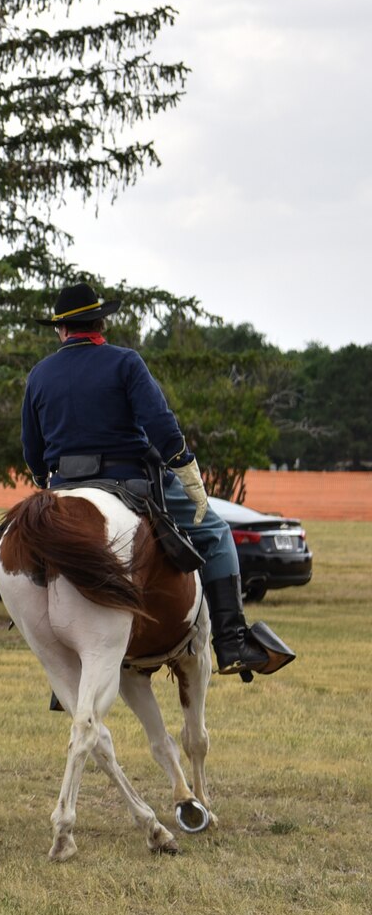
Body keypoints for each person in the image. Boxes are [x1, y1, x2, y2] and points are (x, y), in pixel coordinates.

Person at [21, 280, 293, 677]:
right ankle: (232, 641)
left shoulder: (39, 375)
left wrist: (46, 479)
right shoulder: (125, 362)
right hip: (129, 480)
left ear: (61, 330)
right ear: (101, 324)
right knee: (217, 536)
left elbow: (32, 448)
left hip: (64, 487)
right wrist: (188, 472)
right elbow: (161, 426)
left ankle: (66, 667)